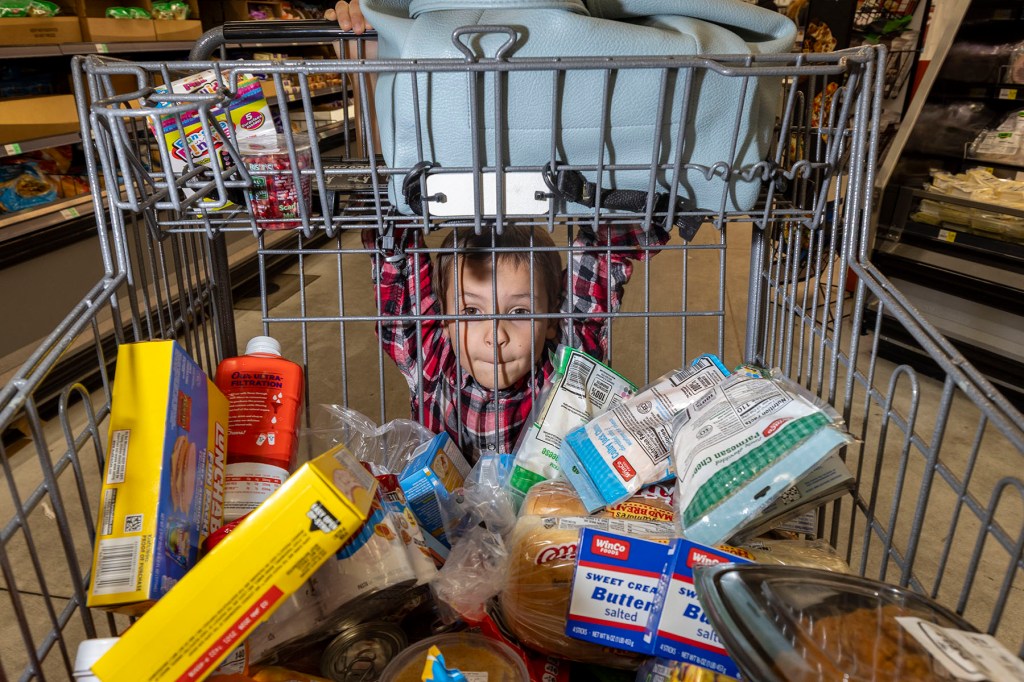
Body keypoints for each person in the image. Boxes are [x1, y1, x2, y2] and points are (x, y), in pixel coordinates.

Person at [366, 222, 670, 463]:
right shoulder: (431, 360)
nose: (495, 335)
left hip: (543, 532)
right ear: (443, 319)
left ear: (551, 321)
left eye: (520, 312)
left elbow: (598, 263)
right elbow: (397, 269)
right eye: (471, 312)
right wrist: (395, 213)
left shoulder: (564, 371)